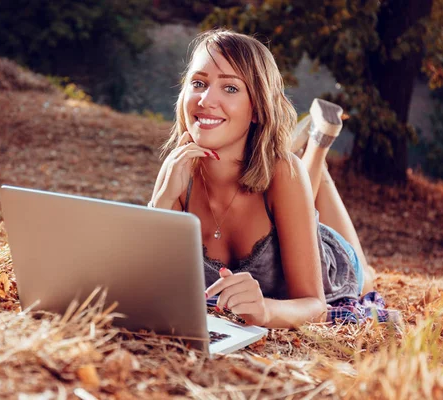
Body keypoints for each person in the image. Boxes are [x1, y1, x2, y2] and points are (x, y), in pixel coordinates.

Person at [148, 29, 375, 329]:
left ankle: (318, 150)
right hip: (283, 191)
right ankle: (315, 161)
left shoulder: (284, 173)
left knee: (367, 277)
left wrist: (265, 311)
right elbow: (143, 282)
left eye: (230, 88)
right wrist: (162, 199)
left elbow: (315, 306)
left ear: (256, 109)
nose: (206, 100)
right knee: (294, 175)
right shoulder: (177, 172)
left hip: (332, 269)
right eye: (199, 83)